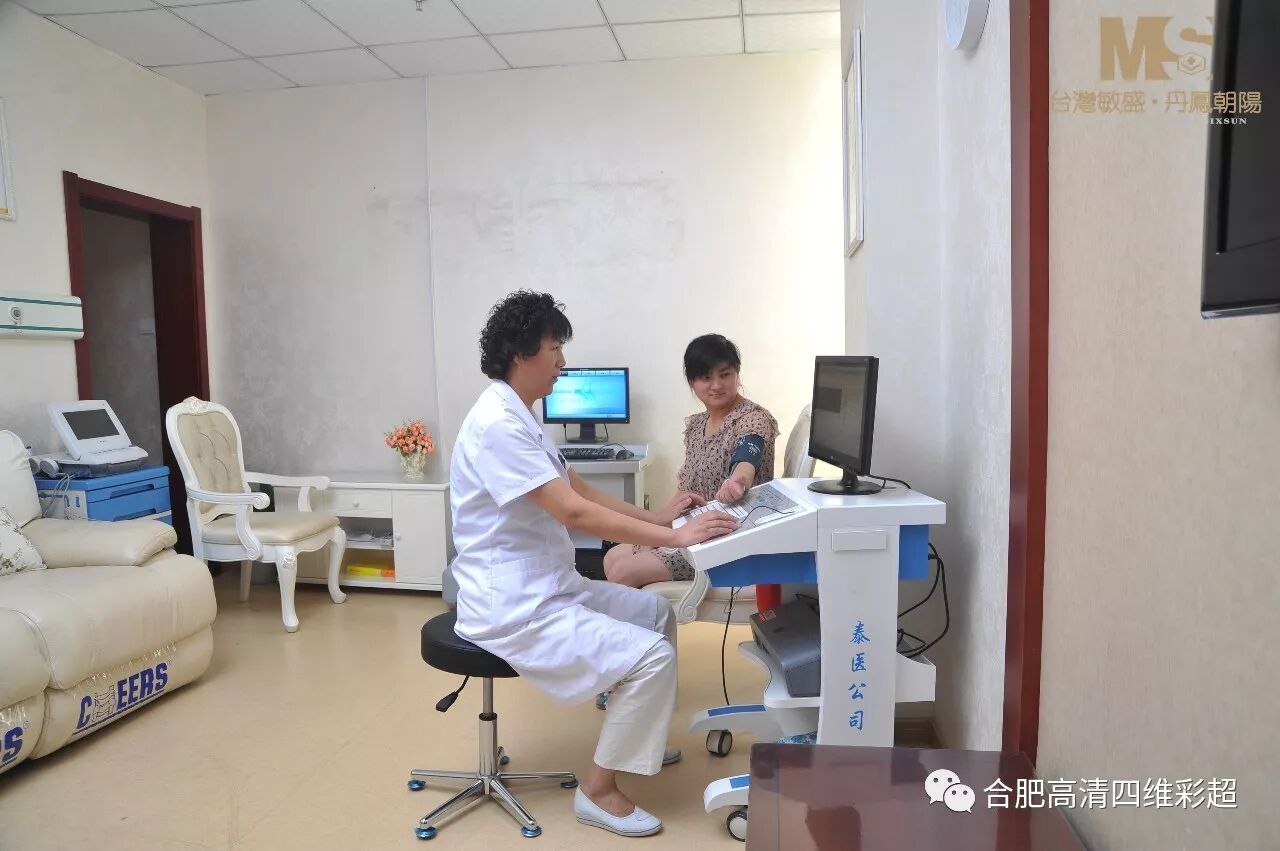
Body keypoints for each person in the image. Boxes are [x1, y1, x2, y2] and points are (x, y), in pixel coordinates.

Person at [449, 291, 737, 838]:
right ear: (521, 353)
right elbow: (573, 511)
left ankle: (636, 736)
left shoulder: (522, 413)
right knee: (651, 656)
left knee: (656, 616)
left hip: (549, 583)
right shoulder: (498, 424)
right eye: (554, 348)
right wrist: (673, 537)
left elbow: (578, 486)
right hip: (514, 604)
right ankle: (598, 791)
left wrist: (656, 517)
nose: (562, 361)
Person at [603, 333, 780, 588]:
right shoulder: (697, 425)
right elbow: (685, 490)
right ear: (692, 382)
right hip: (692, 527)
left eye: (725, 374)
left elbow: (747, 457)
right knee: (612, 557)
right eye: (706, 378)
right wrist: (662, 526)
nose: (716, 385)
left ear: (737, 374)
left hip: (729, 536)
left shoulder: (753, 418)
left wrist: (737, 482)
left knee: (623, 571)